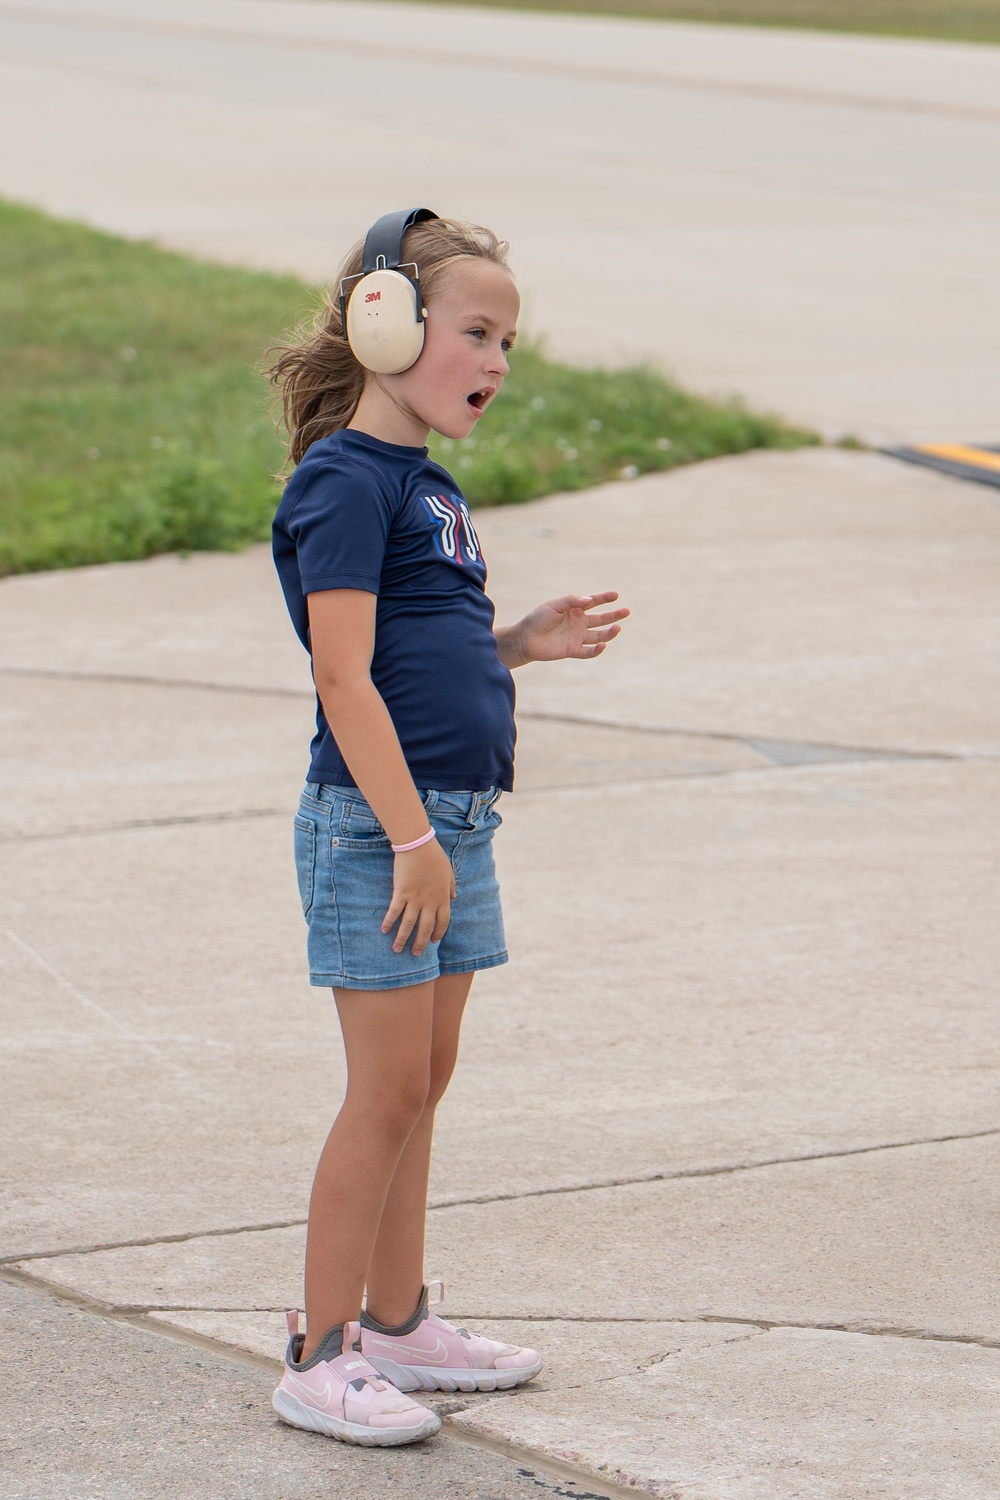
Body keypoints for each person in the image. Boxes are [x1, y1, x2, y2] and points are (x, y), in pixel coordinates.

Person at [267, 210, 628, 1447]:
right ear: (387, 323)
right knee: (380, 1093)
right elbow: (343, 677)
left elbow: (427, 648)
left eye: (508, 342)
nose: (497, 362)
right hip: (387, 835)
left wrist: (520, 642)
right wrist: (411, 838)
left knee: (424, 1081)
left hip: (451, 826)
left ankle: (403, 1322)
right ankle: (319, 1356)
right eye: (477, 332)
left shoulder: (426, 486)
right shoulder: (342, 484)